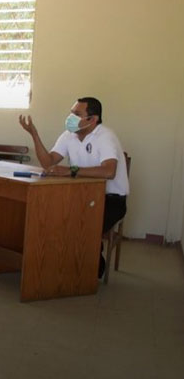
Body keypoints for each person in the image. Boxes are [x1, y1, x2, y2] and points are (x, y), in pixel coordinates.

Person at [19, 97, 129, 277]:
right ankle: (58, 266)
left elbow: (109, 171)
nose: (70, 117)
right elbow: (48, 163)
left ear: (92, 119)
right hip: (81, 195)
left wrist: (71, 170)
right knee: (53, 217)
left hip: (112, 200)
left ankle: (90, 270)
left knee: (82, 226)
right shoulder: (68, 135)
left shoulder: (105, 136)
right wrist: (34, 134)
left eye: (77, 114)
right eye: (71, 112)